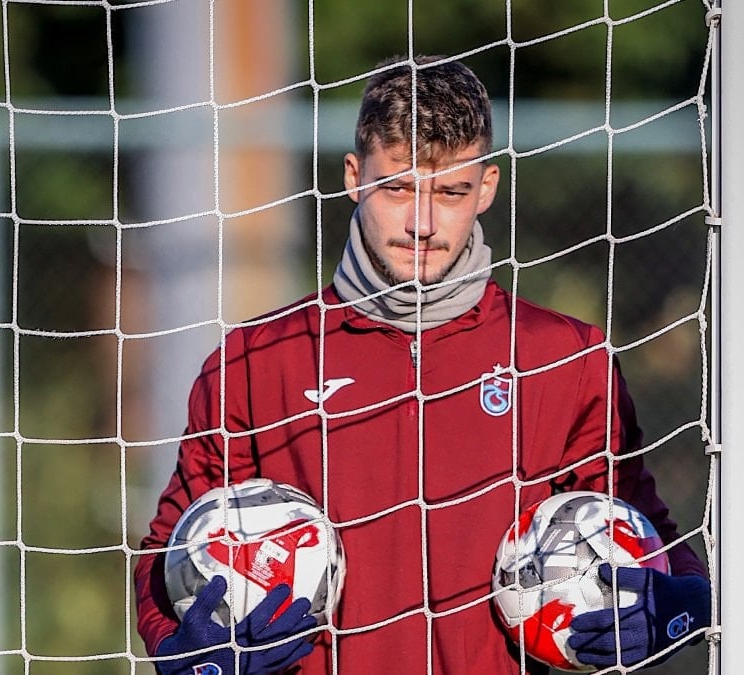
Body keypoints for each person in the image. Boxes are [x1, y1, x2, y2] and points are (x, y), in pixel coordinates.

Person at [134, 55, 710, 674]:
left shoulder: (563, 357)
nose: (423, 224)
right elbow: (170, 546)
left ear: (486, 188)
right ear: (353, 177)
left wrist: (682, 608)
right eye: (398, 188)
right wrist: (179, 646)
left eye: (451, 192)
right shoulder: (255, 359)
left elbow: (640, 524)